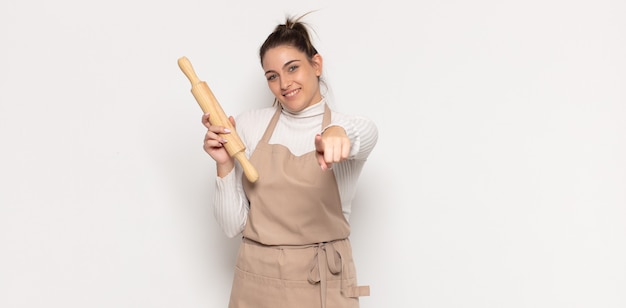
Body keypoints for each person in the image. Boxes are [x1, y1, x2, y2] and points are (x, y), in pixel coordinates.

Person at [201, 12, 378, 308]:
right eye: (272, 76)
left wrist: (336, 133)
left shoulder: (345, 129)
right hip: (256, 281)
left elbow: (367, 132)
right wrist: (224, 164)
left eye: (292, 68)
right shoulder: (248, 126)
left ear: (316, 64)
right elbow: (233, 227)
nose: (284, 83)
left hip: (324, 282)